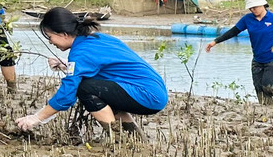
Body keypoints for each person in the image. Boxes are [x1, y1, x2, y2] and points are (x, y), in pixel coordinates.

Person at [16, 8, 167, 135]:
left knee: (85, 88)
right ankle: (133, 135)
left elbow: (66, 95)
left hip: (146, 96)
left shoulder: (80, 53)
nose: (50, 42)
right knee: (95, 87)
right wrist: (66, 66)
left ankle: (115, 138)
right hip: (155, 92)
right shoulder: (96, 38)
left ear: (63, 34)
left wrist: (36, 118)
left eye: (50, 37)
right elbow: (103, 68)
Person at [204, 0, 273, 106]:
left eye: (254, 7)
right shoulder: (247, 19)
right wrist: (215, 41)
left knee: (269, 87)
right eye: (250, 8)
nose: (252, 10)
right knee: (260, 91)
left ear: (262, 4)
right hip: (257, 60)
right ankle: (270, 114)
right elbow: (233, 32)